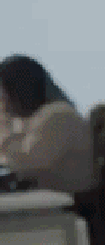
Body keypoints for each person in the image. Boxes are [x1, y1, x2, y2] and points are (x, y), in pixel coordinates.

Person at [0, 55, 95, 194]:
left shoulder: (59, 115)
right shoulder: (29, 120)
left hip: (72, 206)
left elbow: (26, 166)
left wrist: (4, 123)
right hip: (49, 202)